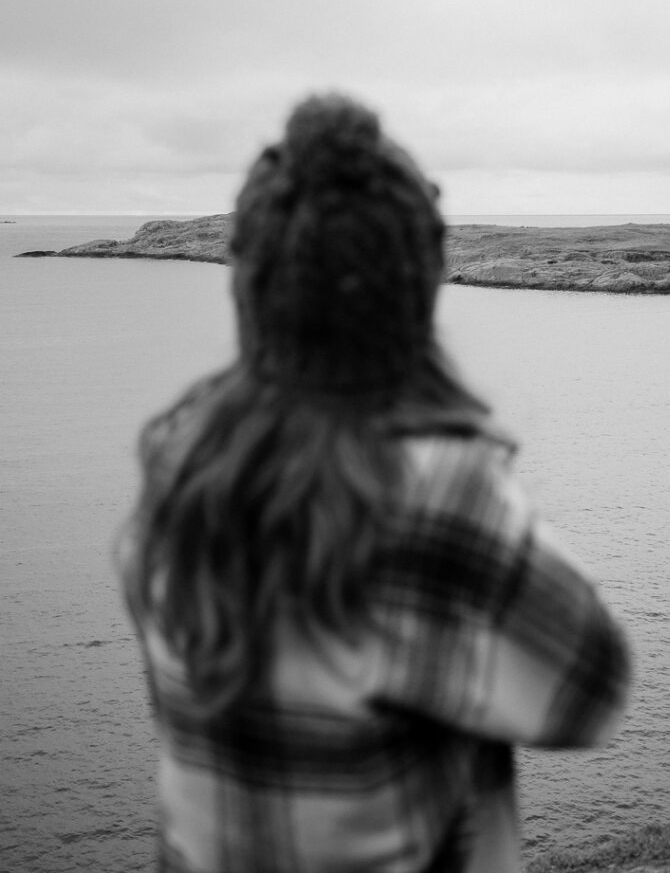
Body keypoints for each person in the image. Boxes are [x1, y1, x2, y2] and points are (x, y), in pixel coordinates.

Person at [118, 93, 630, 873]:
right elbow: (593, 690)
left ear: (251, 291)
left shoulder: (176, 466)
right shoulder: (436, 498)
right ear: (415, 299)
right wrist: (460, 444)